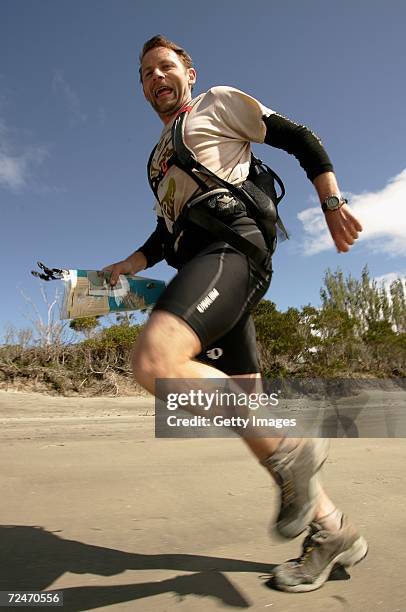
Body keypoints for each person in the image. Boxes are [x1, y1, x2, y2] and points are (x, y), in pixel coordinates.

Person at [104, 35, 367, 592]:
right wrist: (128, 264)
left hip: (234, 255)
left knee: (155, 362)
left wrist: (332, 201)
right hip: (201, 268)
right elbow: (167, 229)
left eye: (165, 67)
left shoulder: (217, 104)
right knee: (250, 417)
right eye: (146, 73)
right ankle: (332, 530)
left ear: (188, 71)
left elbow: (301, 139)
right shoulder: (156, 158)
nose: (156, 78)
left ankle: (297, 449)